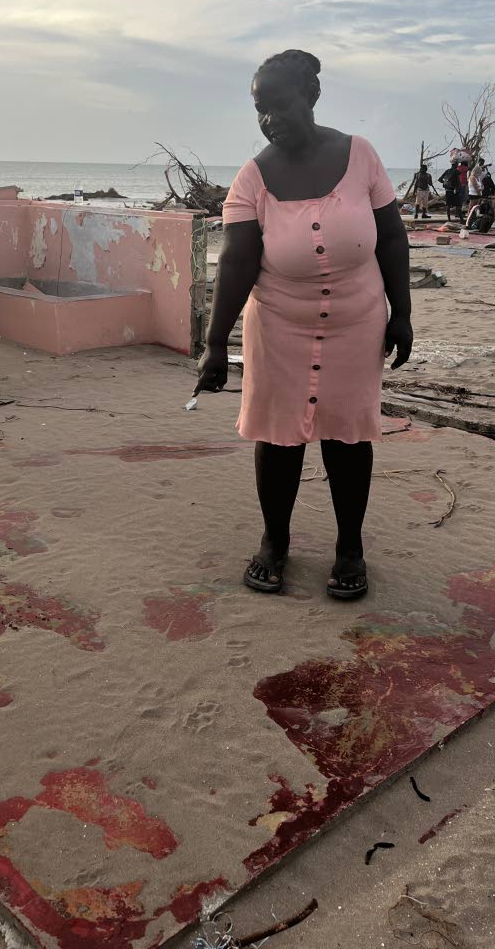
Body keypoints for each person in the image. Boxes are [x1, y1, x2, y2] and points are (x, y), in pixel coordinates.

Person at [195, 50, 412, 601]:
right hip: (278, 325)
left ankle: (350, 549)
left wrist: (402, 312)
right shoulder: (252, 179)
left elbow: (391, 236)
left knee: (347, 436)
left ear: (310, 97)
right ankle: (274, 543)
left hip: (357, 322)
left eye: (279, 105)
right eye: (259, 110)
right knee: (277, 436)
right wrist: (216, 344)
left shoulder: (360, 156)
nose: (269, 120)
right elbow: (236, 260)